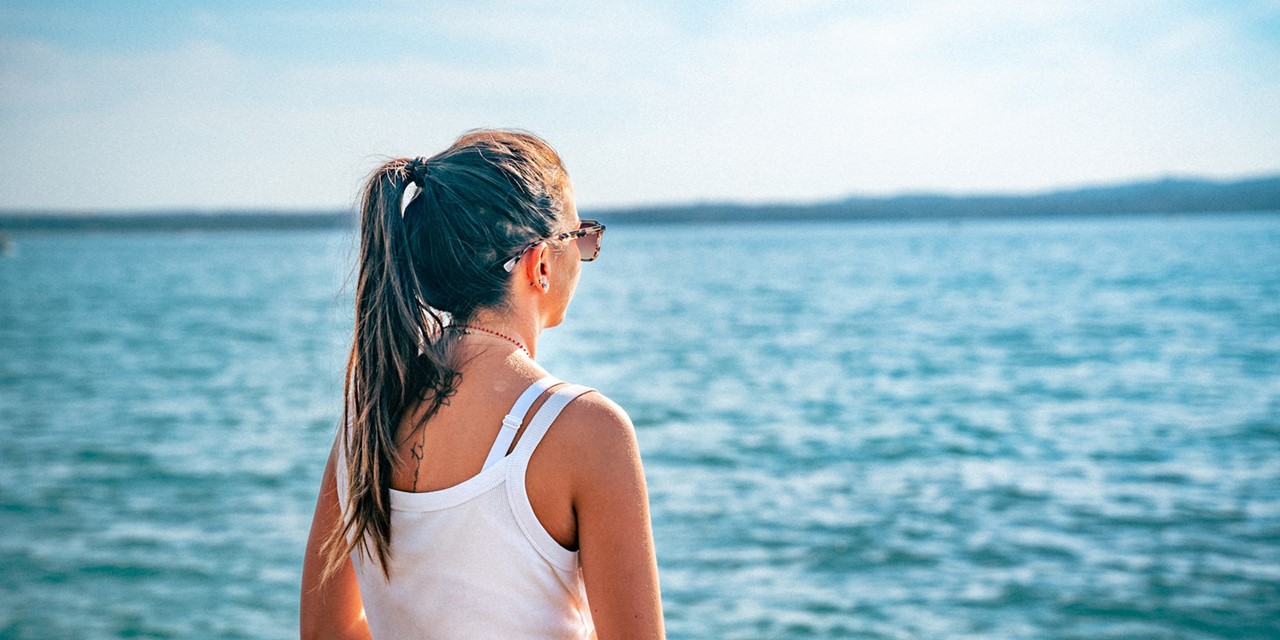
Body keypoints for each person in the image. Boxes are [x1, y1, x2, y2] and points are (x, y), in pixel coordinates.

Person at [300, 130, 664, 639]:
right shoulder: (589, 430)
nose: (585, 254)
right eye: (581, 237)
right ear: (539, 264)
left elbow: (324, 632)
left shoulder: (369, 414)